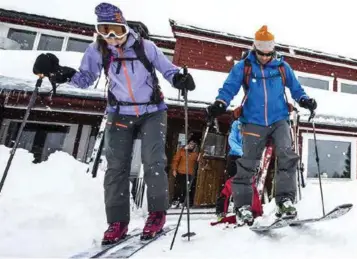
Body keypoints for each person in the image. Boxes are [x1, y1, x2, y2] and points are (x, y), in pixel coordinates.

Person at [31, 2, 195, 244]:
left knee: (153, 161)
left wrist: (180, 79)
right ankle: (117, 221)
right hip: (119, 112)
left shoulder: (145, 47)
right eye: (104, 31)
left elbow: (167, 70)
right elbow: (85, 79)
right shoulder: (98, 50)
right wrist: (61, 73)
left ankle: (157, 214)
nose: (111, 37)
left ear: (124, 27)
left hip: (152, 111)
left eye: (116, 30)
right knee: (116, 166)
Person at [207, 25, 316, 225]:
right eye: (261, 53)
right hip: (253, 122)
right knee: (247, 163)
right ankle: (243, 207)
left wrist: (304, 100)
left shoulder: (283, 67)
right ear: (254, 49)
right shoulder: (244, 66)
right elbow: (229, 87)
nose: (265, 58)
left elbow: (295, 87)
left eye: (268, 54)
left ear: (273, 50)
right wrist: (220, 103)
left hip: (279, 119)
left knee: (287, 157)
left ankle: (284, 201)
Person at [214, 118, 243, 220]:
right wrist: (244, 153)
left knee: (247, 185)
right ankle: (221, 211)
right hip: (235, 158)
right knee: (230, 184)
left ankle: (243, 209)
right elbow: (232, 140)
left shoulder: (254, 124)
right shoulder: (237, 124)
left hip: (248, 159)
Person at [170, 140, 200, 208]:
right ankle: (175, 201)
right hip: (180, 172)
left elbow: (199, 162)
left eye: (193, 144)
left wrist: (199, 158)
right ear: (188, 144)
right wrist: (174, 169)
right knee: (178, 187)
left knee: (186, 188)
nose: (191, 145)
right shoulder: (181, 151)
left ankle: (182, 202)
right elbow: (175, 160)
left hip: (189, 174)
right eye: (190, 144)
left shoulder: (195, 154)